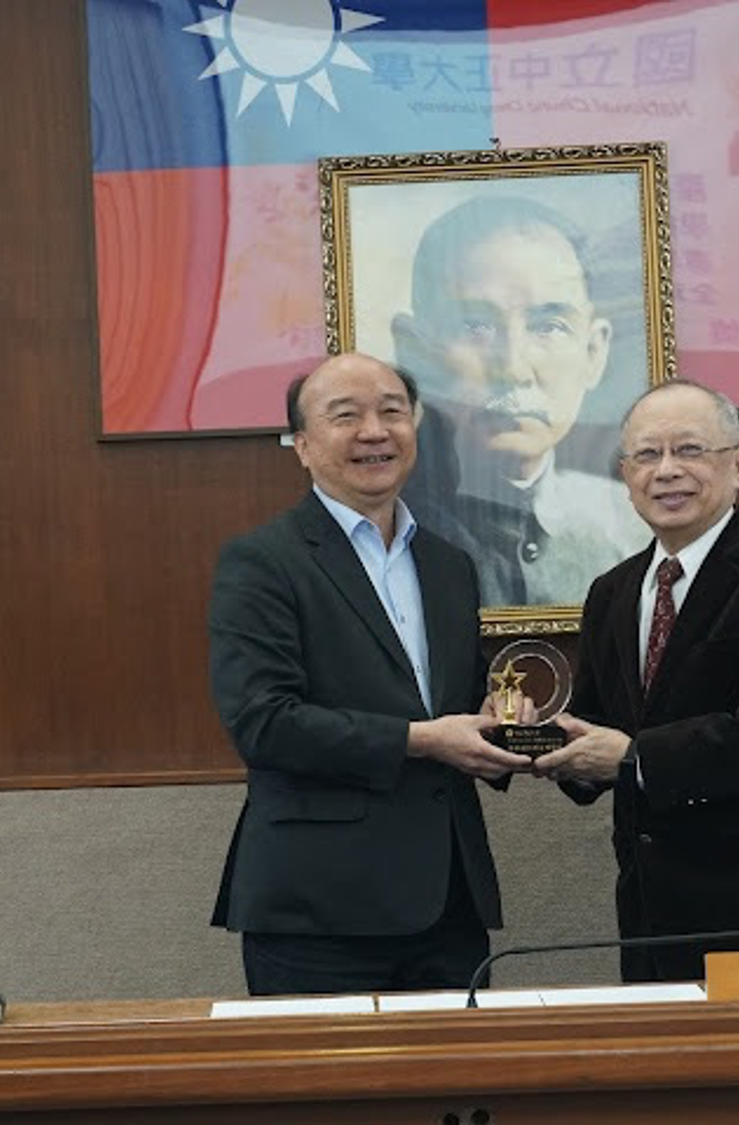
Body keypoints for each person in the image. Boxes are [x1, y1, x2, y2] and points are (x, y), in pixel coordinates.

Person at [206, 353, 525, 996]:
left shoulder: (449, 565)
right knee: (324, 1098)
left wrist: (503, 729)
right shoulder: (262, 562)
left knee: (458, 1094)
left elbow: (456, 706)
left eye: (391, 411)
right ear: (301, 445)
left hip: (448, 904)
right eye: (344, 416)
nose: (374, 431)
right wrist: (422, 739)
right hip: (320, 912)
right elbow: (264, 723)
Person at [534, 380, 739, 982]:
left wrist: (632, 756)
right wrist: (534, 740)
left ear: (737, 466)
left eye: (689, 450)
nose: (667, 471)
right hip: (651, 915)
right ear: (624, 475)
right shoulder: (614, 591)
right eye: (647, 455)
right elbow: (600, 729)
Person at [390, 194, 648, 608]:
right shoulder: (381, 525)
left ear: (593, 352)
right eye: (476, 326)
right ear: (415, 352)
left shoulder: (636, 524)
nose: (514, 367)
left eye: (549, 326)